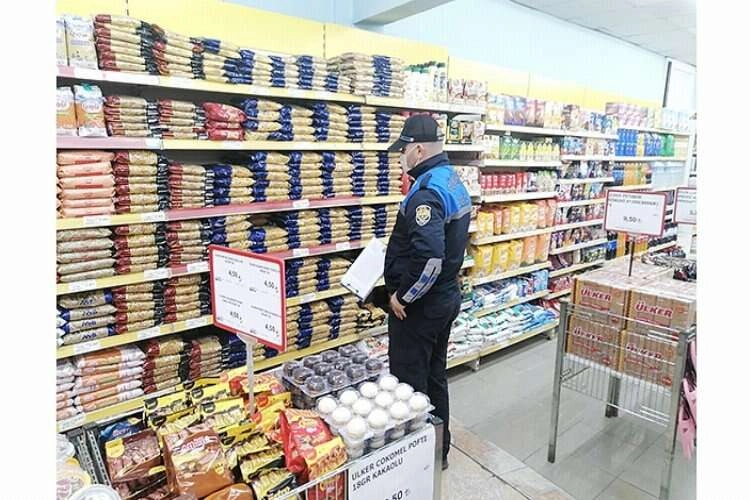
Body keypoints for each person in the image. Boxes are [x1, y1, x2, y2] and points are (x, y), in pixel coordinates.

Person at [383, 114, 471, 470]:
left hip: (421, 307)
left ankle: (413, 466)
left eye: (403, 150)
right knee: (435, 377)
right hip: (444, 297)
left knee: (410, 382)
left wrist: (403, 296)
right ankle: (438, 454)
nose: (401, 157)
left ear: (418, 149)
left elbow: (431, 257)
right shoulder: (450, 179)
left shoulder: (426, 193)